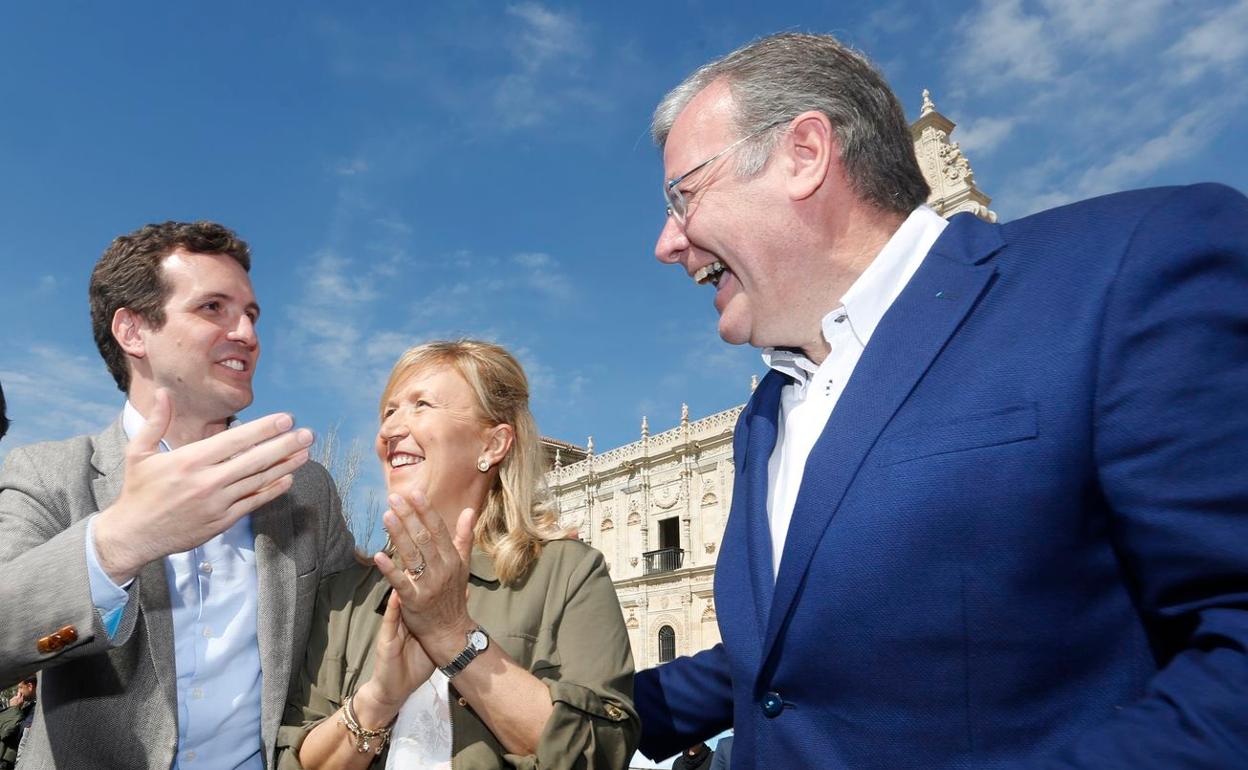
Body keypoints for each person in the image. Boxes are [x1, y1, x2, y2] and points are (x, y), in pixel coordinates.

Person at [635, 32, 1248, 769]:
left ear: (804, 155)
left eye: (685, 195)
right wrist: (501, 680)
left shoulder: (1128, 270)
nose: (668, 243)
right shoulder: (766, 414)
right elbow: (775, 667)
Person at [0, 221, 357, 768]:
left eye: (252, 314)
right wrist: (118, 543)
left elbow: (345, 644)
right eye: (213, 307)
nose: (246, 332)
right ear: (133, 331)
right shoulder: (45, 474)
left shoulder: (306, 488)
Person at [278, 340, 638, 769]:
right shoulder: (343, 596)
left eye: (421, 405)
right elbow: (293, 760)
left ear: (493, 444)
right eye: (389, 411)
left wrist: (453, 637)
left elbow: (602, 751)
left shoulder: (568, 573)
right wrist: (380, 698)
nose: (390, 430)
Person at [0, 677, 36, 770]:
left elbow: (7, 731)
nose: (18, 692)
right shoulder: (27, 707)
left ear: (30, 686)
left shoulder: (34, 709)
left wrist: (13, 709)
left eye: (20, 687)